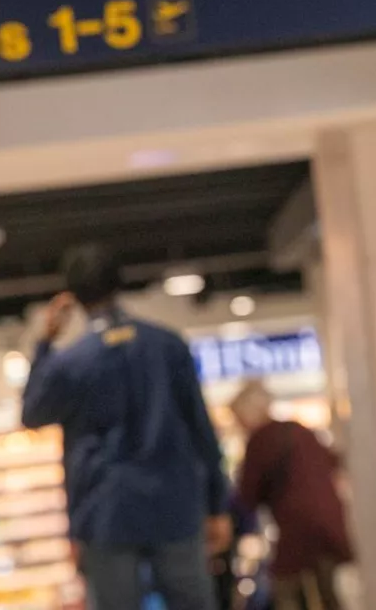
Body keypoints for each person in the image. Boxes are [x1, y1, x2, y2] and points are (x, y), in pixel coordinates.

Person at [21, 244, 231, 610]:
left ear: (73, 295)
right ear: (119, 283)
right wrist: (217, 503)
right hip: (174, 503)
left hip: (106, 511)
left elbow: (33, 413)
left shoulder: (72, 364)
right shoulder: (167, 346)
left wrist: (44, 343)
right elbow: (200, 428)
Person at [230, 381, 351, 610]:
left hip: (298, 529)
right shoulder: (298, 430)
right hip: (330, 523)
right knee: (329, 592)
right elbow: (332, 461)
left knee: (285, 588)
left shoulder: (260, 441)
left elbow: (247, 497)